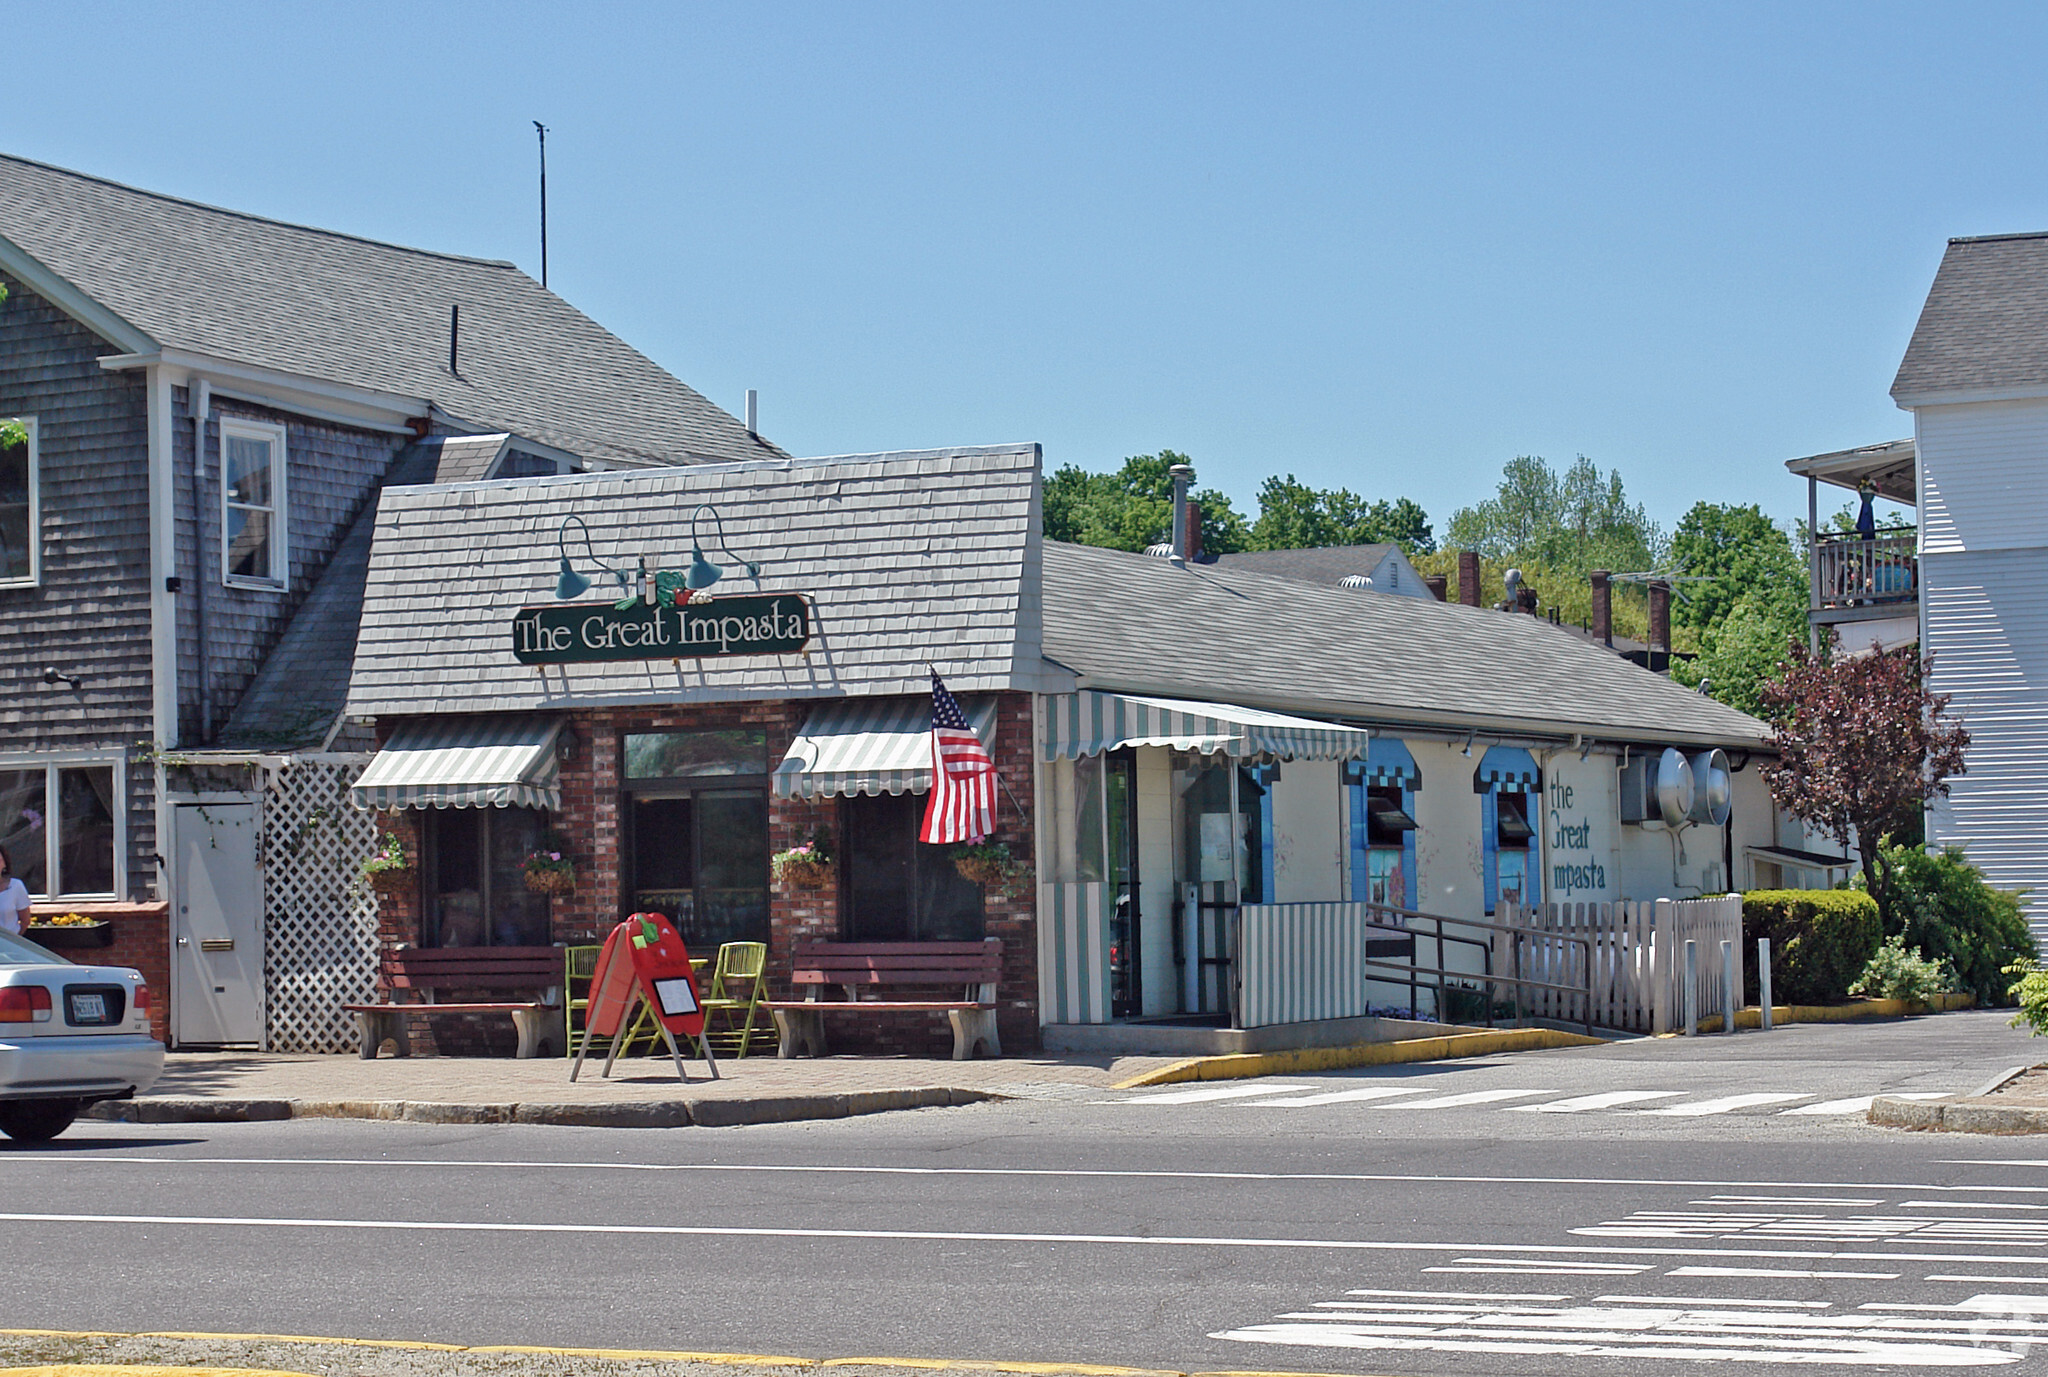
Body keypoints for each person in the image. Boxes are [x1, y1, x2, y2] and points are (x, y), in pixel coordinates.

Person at [0, 846, 30, 935]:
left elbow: (25, 920)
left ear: (5, 863)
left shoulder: (16, 886)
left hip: (8, 945)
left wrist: (16, 940)